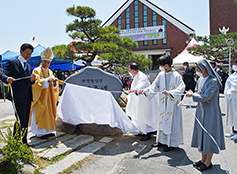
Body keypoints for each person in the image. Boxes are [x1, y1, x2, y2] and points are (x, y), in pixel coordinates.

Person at [137, 55, 185, 152]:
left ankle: (170, 143)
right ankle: (161, 141)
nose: (160, 67)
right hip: (163, 104)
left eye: (161, 65)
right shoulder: (161, 75)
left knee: (171, 123)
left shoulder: (176, 76)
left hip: (172, 104)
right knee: (162, 121)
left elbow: (181, 88)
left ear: (166, 65)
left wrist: (171, 93)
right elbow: (154, 86)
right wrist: (144, 91)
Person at [186, 59, 225, 171]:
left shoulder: (213, 80)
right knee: (201, 134)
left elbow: (206, 96)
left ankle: (208, 161)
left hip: (211, 110)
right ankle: (203, 159)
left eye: (198, 68)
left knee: (209, 134)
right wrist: (196, 93)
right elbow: (199, 92)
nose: (197, 70)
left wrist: (193, 95)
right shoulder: (200, 79)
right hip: (201, 109)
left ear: (204, 68)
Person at [0, 43, 36, 146]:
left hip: (28, 95)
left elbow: (30, 81)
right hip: (17, 96)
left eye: (30, 54)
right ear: (21, 52)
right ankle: (19, 142)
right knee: (20, 118)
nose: (28, 55)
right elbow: (3, 74)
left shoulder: (28, 66)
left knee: (24, 118)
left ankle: (21, 140)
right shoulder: (13, 63)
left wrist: (32, 80)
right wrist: (7, 79)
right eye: (26, 53)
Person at [29, 47, 59, 138]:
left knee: (49, 113)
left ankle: (48, 131)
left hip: (49, 96)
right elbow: (36, 82)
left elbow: (53, 82)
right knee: (41, 113)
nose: (46, 64)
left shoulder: (50, 71)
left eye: (48, 62)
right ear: (41, 61)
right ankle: (40, 133)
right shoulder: (36, 70)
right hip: (40, 97)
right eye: (45, 62)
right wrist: (46, 81)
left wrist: (54, 81)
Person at [125, 63, 158, 141]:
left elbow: (142, 84)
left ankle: (147, 133)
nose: (129, 72)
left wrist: (135, 89)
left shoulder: (142, 76)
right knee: (138, 115)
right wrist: (129, 97)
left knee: (145, 116)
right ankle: (140, 130)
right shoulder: (136, 76)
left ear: (133, 70)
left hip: (145, 100)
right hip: (139, 100)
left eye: (129, 70)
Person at [224, 59, 237, 140]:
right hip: (232, 96)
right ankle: (234, 131)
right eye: (234, 64)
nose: (234, 66)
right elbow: (227, 84)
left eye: (235, 64)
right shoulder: (232, 75)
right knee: (232, 114)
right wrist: (228, 91)